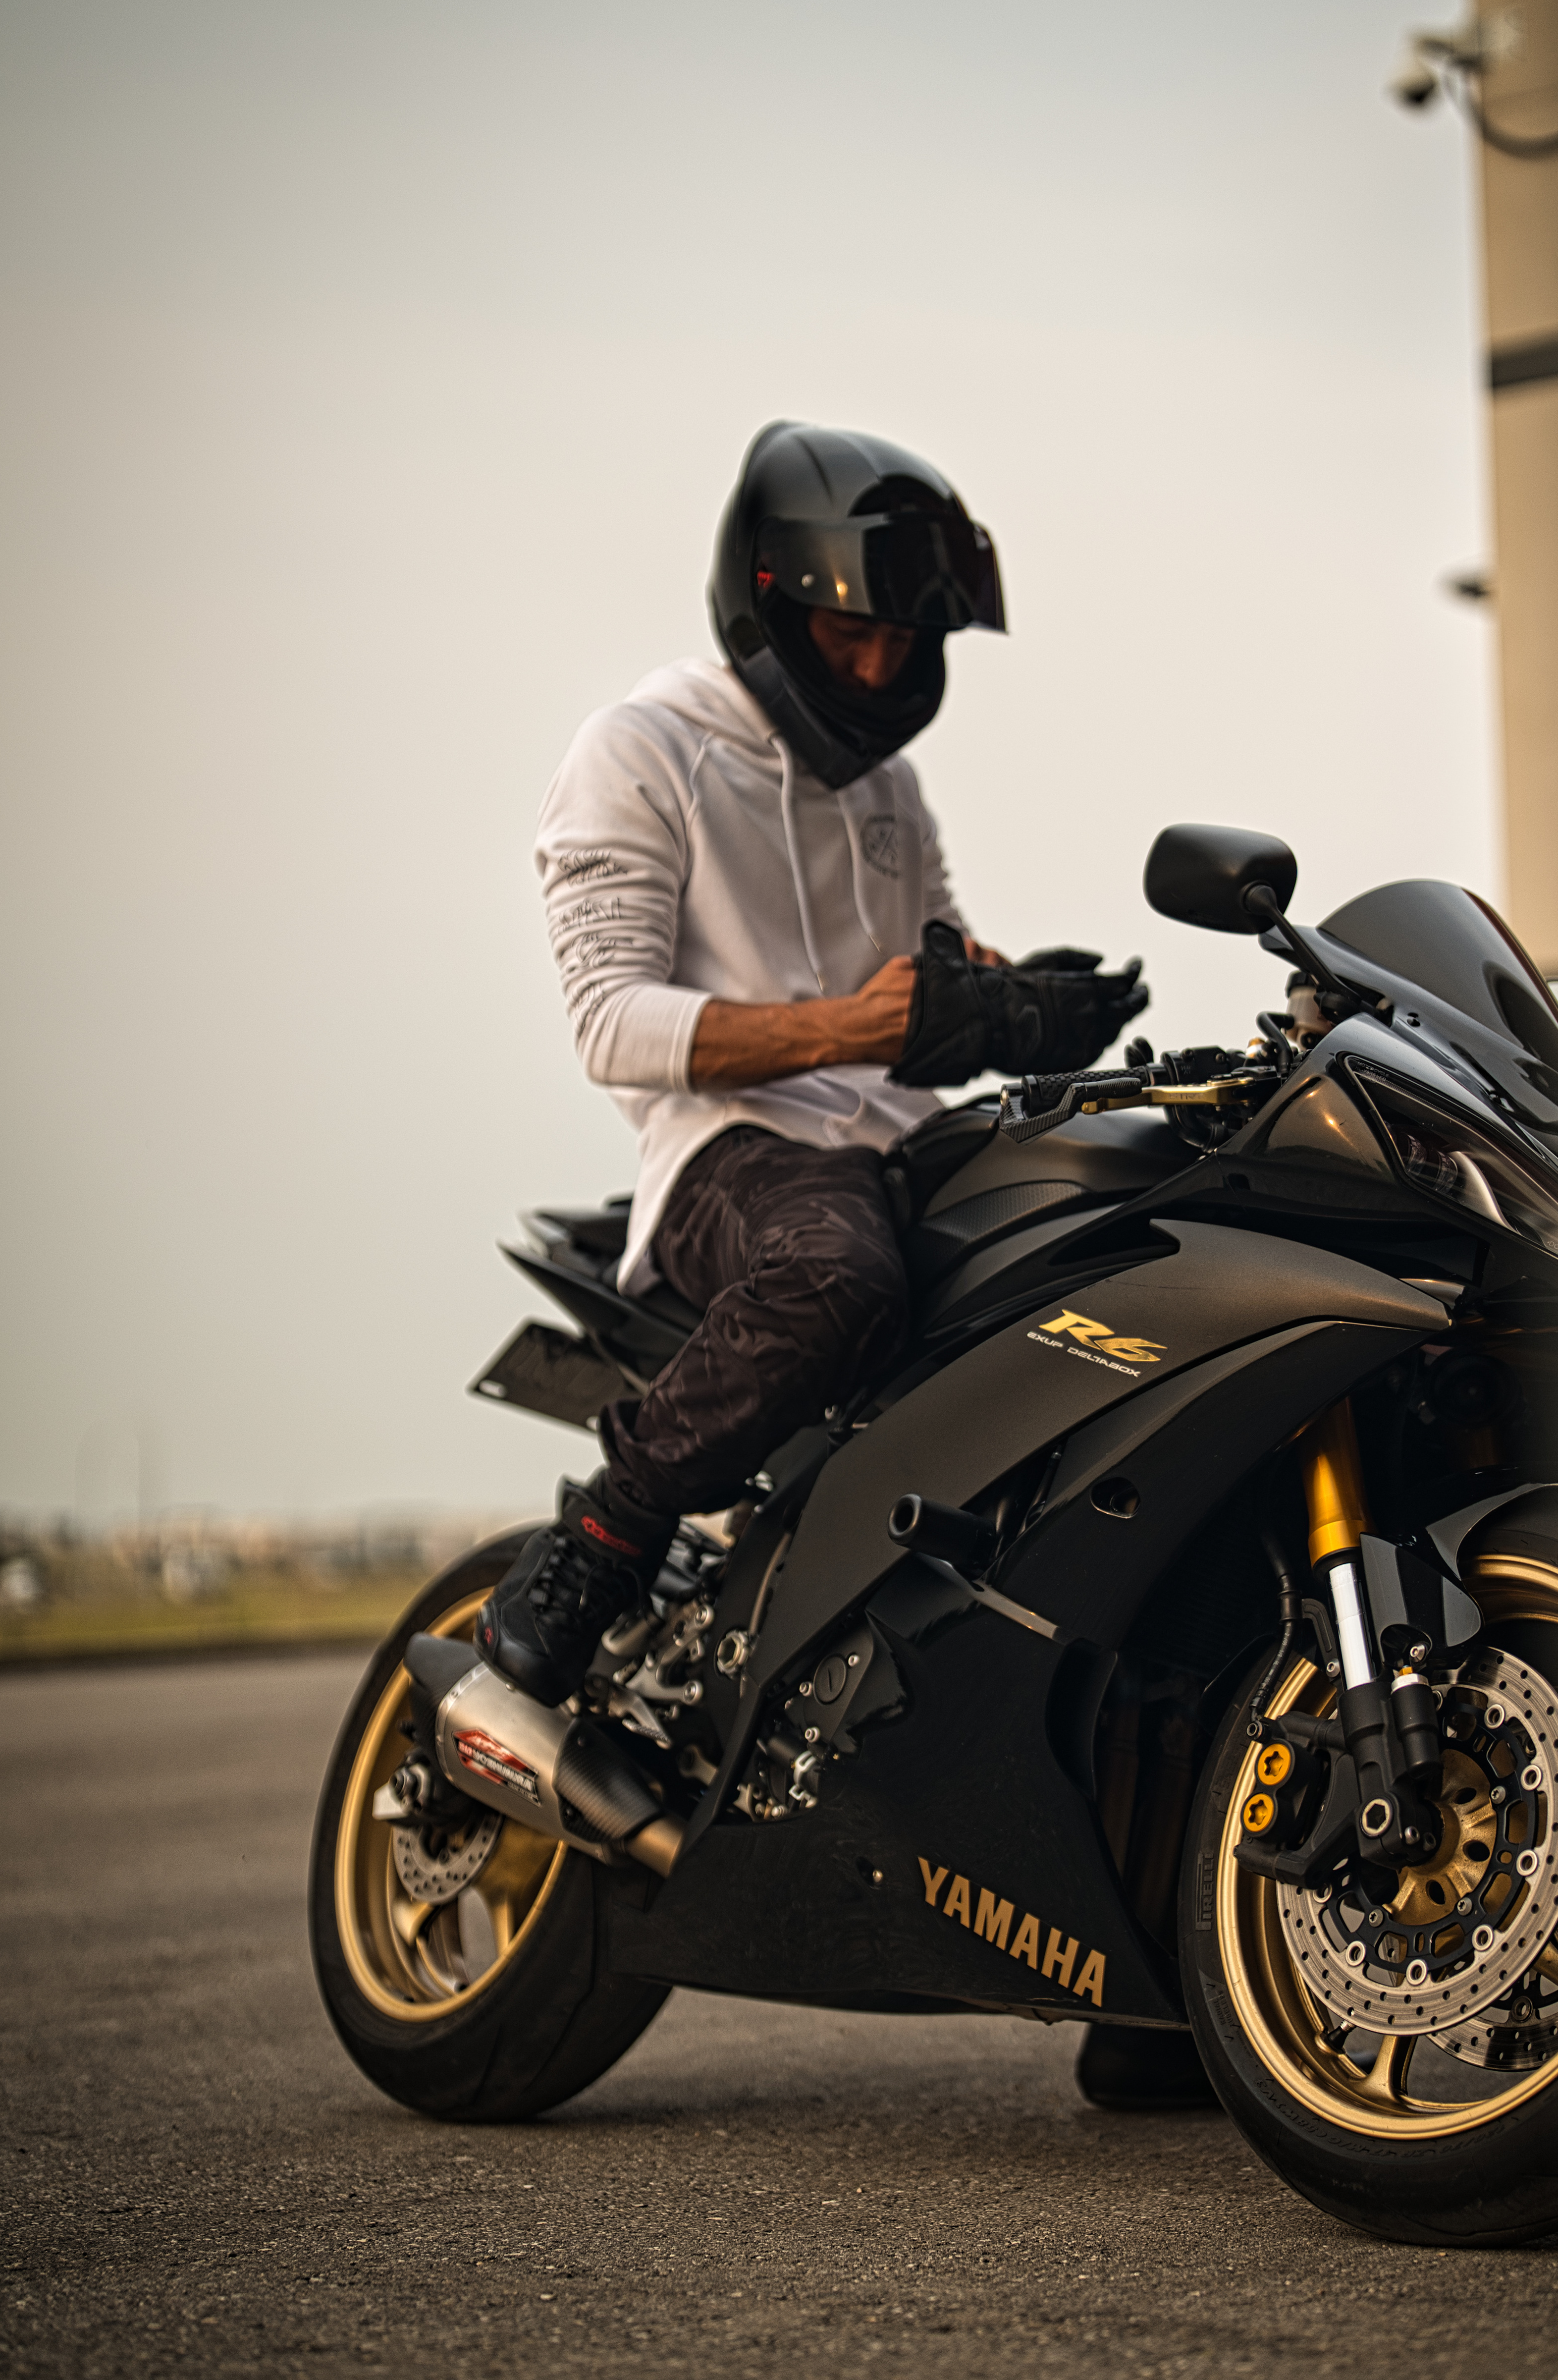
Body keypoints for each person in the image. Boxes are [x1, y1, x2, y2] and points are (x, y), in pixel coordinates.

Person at [478, 421, 1148, 1708]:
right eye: (855, 635)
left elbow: (931, 968)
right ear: (772, 604)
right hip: (738, 1155)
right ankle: (603, 1540)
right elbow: (610, 1025)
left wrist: (1025, 1006)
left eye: (908, 641)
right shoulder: (640, 751)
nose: (881, 662)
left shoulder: (889, 789)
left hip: (898, 1146)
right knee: (838, 1278)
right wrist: (854, 1029)